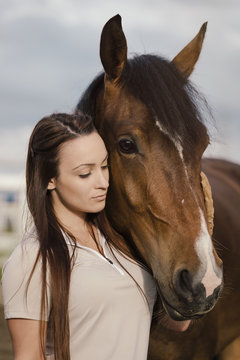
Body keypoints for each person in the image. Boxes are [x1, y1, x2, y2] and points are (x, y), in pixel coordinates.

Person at [1, 112, 156, 360]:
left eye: (105, 166)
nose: (103, 182)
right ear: (49, 179)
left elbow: (175, 323)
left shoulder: (123, 242)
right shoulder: (31, 259)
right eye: (85, 173)